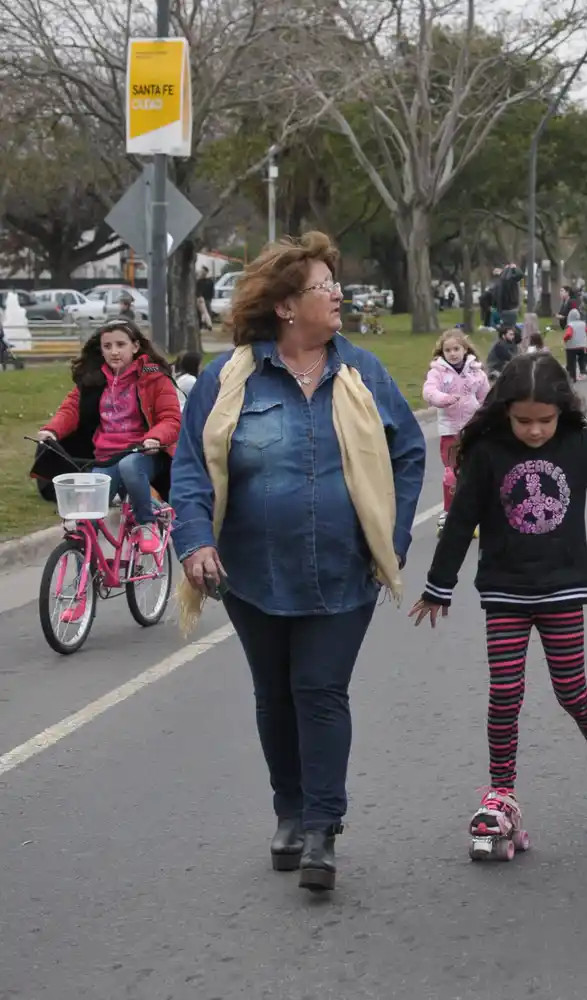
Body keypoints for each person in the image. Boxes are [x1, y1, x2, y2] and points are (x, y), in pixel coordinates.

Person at [170, 232, 425, 894]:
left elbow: (409, 451)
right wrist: (196, 541)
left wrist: (391, 540)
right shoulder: (229, 381)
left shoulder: (362, 372)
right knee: (274, 695)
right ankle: (288, 808)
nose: (338, 294)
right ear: (286, 306)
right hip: (252, 574)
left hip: (344, 570)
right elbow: (193, 467)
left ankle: (320, 828)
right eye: (323, 287)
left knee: (319, 691)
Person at [409, 352, 587, 856]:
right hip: (504, 592)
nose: (533, 431)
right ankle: (501, 794)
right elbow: (461, 521)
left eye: (544, 420)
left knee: (572, 690)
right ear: (504, 409)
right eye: (522, 420)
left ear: (561, 412)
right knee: (504, 693)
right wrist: (439, 584)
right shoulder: (486, 452)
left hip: (561, 590)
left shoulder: (577, 444)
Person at [36, 318, 180, 553]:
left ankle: (147, 523)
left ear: (135, 347)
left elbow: (171, 418)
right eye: (108, 346)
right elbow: (71, 409)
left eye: (121, 345)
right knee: (85, 522)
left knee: (130, 467)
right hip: (105, 458)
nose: (114, 352)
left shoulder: (154, 378)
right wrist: (51, 430)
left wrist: (155, 438)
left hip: (143, 454)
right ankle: (88, 573)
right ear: (100, 349)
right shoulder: (94, 380)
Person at [423, 327, 491, 535]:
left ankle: (474, 512)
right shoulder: (438, 372)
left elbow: (485, 396)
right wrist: (443, 400)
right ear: (442, 353)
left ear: (465, 349)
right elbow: (428, 391)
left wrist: (486, 415)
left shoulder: (475, 372)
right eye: (448, 350)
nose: (452, 353)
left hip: (473, 430)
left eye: (456, 349)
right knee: (452, 472)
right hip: (450, 431)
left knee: (473, 472)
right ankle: (448, 512)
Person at [562, 308, 587, 381]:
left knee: (571, 362)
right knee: (581, 359)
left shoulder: (570, 325)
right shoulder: (583, 324)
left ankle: (573, 376)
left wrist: (564, 339)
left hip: (571, 347)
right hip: (582, 346)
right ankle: (583, 371)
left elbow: (568, 334)